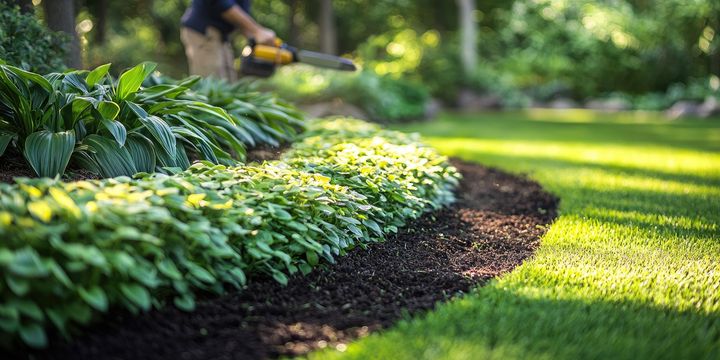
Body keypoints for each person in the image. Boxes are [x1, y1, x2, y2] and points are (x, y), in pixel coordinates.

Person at [181, 0, 276, 81]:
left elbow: (241, 9)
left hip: (221, 35)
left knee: (228, 82)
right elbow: (220, 2)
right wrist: (256, 31)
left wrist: (254, 35)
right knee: (212, 85)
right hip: (204, 31)